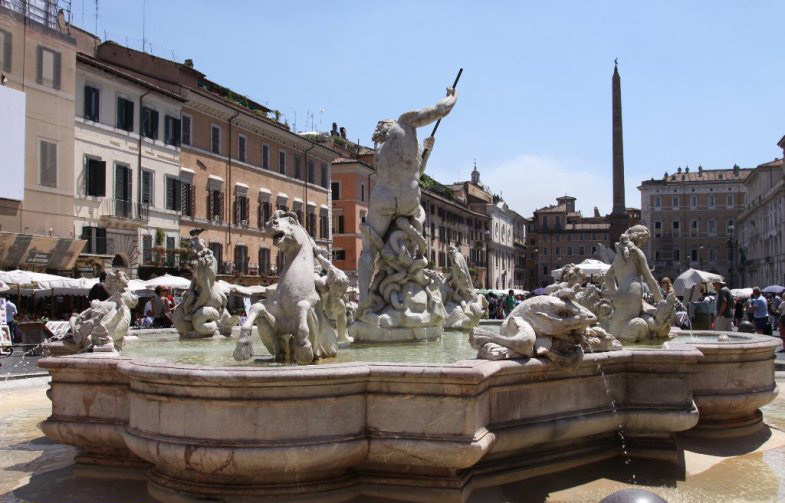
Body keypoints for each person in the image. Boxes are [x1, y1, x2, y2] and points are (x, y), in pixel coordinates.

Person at [358, 87, 457, 305]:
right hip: (408, 198)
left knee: (368, 251)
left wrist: (426, 151)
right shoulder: (406, 122)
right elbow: (440, 110)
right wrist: (452, 96)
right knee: (419, 213)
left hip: (383, 197)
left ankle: (363, 300)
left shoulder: (379, 151)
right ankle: (417, 256)